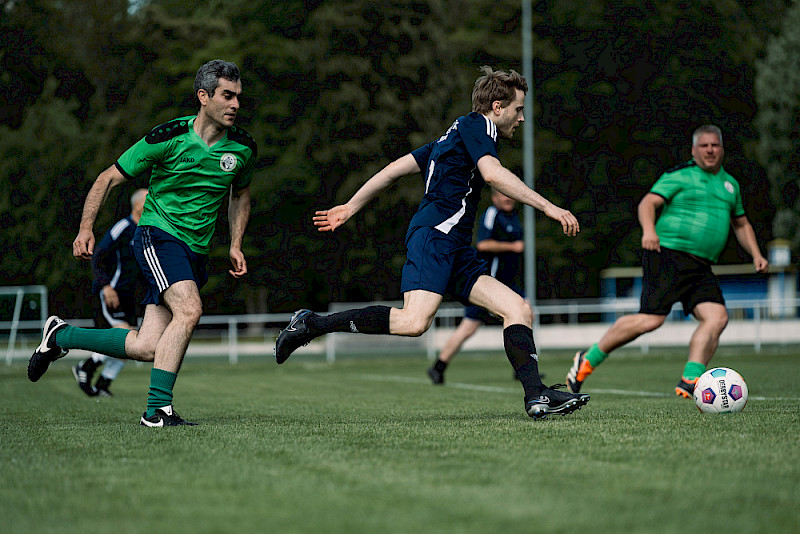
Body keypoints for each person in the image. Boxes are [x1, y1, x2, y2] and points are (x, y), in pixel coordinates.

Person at [275, 66, 590, 420]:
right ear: (497, 107)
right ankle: (311, 324)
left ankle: (537, 396)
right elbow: (492, 173)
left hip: (455, 247)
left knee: (518, 309)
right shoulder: (477, 126)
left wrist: (351, 205)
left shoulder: (450, 138)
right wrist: (549, 207)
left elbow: (394, 169)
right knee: (414, 322)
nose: (521, 118)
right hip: (435, 237)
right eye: (518, 109)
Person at [28, 59, 256, 426]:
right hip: (157, 236)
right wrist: (86, 228)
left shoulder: (243, 148)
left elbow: (240, 196)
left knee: (148, 346)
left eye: (238, 97)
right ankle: (156, 411)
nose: (235, 105)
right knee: (190, 311)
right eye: (227, 96)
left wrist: (235, 243)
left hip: (196, 251)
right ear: (203, 96)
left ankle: (60, 335)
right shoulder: (166, 137)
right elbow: (107, 179)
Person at [566, 124, 769, 398]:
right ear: (694, 150)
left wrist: (756, 254)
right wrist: (649, 231)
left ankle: (691, 379)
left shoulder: (730, 185)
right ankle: (587, 360)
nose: (710, 150)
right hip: (668, 255)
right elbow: (647, 204)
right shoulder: (680, 175)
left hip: (701, 265)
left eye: (715, 145)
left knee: (717, 317)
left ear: (722, 149)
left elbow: (741, 224)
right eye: (704, 145)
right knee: (650, 320)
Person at [427, 189, 524, 385]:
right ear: (495, 198)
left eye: (509, 195)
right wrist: (512, 247)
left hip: (509, 282)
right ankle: (438, 366)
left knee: (523, 316)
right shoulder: (492, 214)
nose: (507, 199)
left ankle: (523, 368)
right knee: (468, 328)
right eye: (503, 196)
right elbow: (483, 244)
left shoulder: (513, 216)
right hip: (489, 283)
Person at [72, 188, 148, 397]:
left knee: (132, 343)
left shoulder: (147, 230)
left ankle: (104, 385)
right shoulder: (123, 227)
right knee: (123, 336)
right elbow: (98, 257)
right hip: (113, 292)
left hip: (131, 298)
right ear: (138, 205)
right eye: (150, 199)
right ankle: (85, 367)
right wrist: (106, 286)